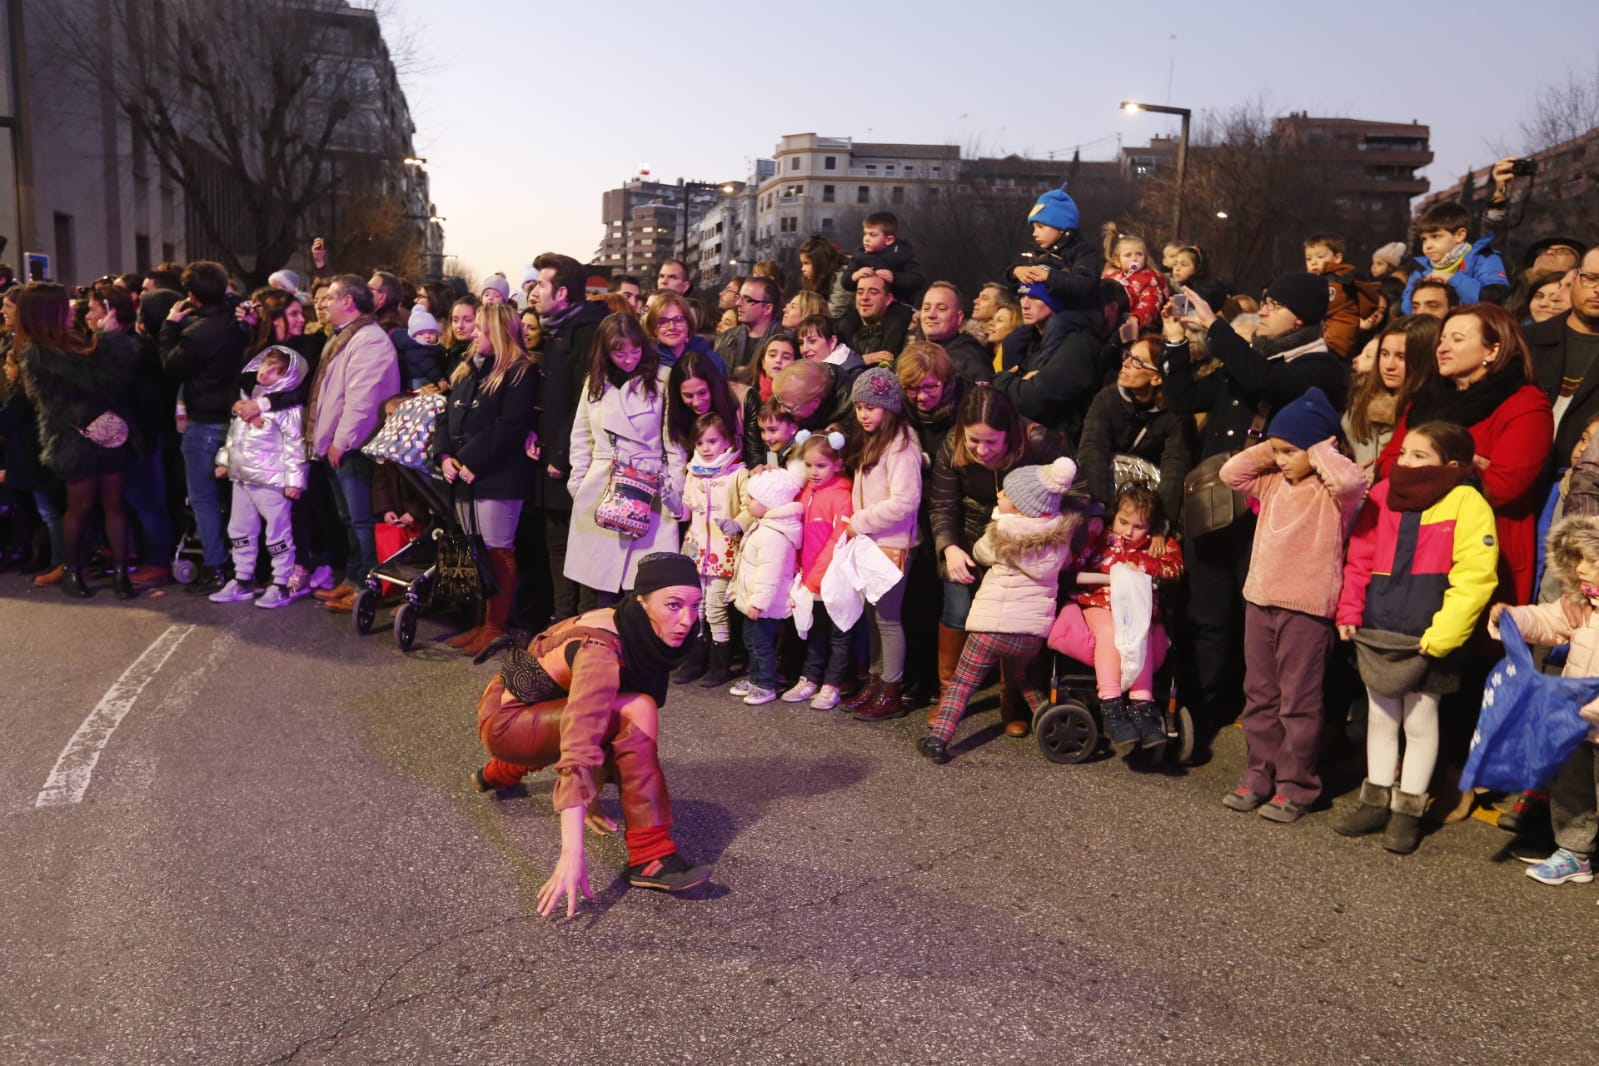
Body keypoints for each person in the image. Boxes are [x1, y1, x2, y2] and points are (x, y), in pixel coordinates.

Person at [1161, 272, 1348, 760]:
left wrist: (1215, 326)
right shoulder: (1252, 358)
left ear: (1301, 316)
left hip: (1270, 514)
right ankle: (1203, 712)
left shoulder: (1322, 367)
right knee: (1207, 613)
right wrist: (1177, 343)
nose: (1263, 310)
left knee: (1257, 621)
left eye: (1274, 303)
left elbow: (1265, 381)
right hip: (1213, 505)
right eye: (1262, 301)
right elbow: (1183, 399)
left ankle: (1268, 724)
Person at [472, 552, 713, 913]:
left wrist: (594, 792)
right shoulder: (601, 646)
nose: (685, 620)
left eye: (694, 607)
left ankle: (500, 772)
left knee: (616, 707)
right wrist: (572, 852)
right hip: (507, 724)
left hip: (531, 713)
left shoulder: (631, 623)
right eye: (673, 605)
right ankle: (650, 856)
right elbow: (580, 742)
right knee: (636, 710)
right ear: (641, 600)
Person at [1335, 422, 1498, 853]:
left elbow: (1475, 577)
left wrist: (1444, 635)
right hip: (1379, 625)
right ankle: (1376, 800)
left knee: (1422, 721)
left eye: (1418, 455)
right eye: (1403, 452)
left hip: (1430, 635)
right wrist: (1350, 608)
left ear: (1453, 464)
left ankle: (1408, 811)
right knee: (1381, 717)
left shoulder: (1466, 501)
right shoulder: (1385, 494)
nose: (1405, 461)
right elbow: (1360, 556)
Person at [1218, 387, 1367, 822]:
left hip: (1305, 608)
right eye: (1276, 451)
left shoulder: (1331, 491)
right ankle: (1258, 774)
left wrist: (1318, 449)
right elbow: (1232, 472)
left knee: (1298, 702)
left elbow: (1352, 479)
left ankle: (1296, 785)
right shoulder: (1272, 481)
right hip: (1260, 599)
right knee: (1259, 695)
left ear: (1321, 448)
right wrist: (1275, 445)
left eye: (1288, 451)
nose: (1280, 459)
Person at [1376, 304, 1553, 604]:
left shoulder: (1525, 404)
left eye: (1456, 339)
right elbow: (1386, 466)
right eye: (1441, 340)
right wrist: (1462, 467)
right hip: (1412, 547)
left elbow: (1503, 485)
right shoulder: (1424, 400)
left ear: (1493, 350)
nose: (1443, 348)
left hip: (1484, 555)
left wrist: (1420, 467)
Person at [918, 458, 1081, 763]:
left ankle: (939, 737)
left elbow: (980, 553)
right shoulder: (1059, 537)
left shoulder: (1002, 531)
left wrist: (997, 521)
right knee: (1023, 675)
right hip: (1030, 634)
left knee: (963, 682)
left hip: (991, 628)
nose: (999, 496)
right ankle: (1049, 717)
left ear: (1020, 507)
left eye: (1006, 494)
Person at [928, 387, 1065, 731]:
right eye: (974, 440)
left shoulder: (1036, 442)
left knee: (1015, 620)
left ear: (1011, 434)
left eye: (992, 442)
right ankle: (950, 696)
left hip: (1023, 543)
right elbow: (943, 504)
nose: (981, 450)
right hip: (969, 536)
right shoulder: (951, 444)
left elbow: (1074, 491)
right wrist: (949, 547)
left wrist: (1047, 536)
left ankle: (1012, 700)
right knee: (956, 610)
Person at [1487, 515, 1599, 888]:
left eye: (1593, 560)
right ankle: (1573, 853)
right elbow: (1549, 620)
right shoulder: (1582, 605)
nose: (1581, 567)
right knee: (1572, 791)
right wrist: (1515, 619)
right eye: (1579, 558)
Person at [16, 282, 140, 599]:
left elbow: (105, 381)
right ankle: (73, 570)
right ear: (47, 312)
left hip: (107, 433)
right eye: (65, 306)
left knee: (113, 503)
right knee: (80, 507)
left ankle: (121, 574)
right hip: (74, 440)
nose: (74, 309)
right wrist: (111, 340)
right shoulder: (38, 351)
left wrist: (106, 341)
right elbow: (96, 381)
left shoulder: (73, 340)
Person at [433, 302, 539, 654]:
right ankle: (476, 621)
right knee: (469, 549)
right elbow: (445, 418)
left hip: (498, 476)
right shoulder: (467, 369)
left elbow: (510, 425)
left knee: (496, 550)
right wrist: (445, 455)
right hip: (463, 472)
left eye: (480, 328)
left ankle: (495, 625)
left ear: (498, 333)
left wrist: (469, 459)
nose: (473, 334)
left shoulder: (520, 372)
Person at [1047, 483, 1184, 753]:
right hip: (1100, 604)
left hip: (1139, 611)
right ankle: (1112, 707)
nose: (1129, 532)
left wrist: (1145, 564)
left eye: (1139, 527)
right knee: (1111, 632)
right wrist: (1094, 534)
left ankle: (1142, 707)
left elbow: (1175, 568)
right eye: (1123, 522)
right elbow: (1073, 563)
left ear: (1152, 527)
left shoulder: (1157, 546)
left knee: (1140, 635)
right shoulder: (1103, 537)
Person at [566, 313, 685, 609]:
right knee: (599, 585)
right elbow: (581, 437)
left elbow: (673, 441)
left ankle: (637, 649)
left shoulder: (662, 379)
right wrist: (578, 485)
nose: (629, 358)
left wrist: (674, 488)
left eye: (635, 349)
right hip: (602, 487)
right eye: (620, 352)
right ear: (605, 351)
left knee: (643, 584)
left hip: (650, 488)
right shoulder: (594, 382)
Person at [305, 274, 402, 611]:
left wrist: (341, 441)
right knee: (348, 519)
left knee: (362, 520)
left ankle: (367, 587)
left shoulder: (369, 340)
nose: (323, 304)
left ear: (348, 301)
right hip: (340, 446)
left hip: (356, 447)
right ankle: (353, 578)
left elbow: (362, 399)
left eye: (330, 298)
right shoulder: (347, 337)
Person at [839, 367, 923, 721]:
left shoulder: (902, 445)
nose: (863, 415)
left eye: (870, 408)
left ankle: (892, 690)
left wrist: (861, 521)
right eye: (859, 408)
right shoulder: (876, 441)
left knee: (888, 619)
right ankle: (874, 683)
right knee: (872, 619)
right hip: (872, 545)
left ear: (889, 407)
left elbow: (905, 501)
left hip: (893, 544)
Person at [160, 260, 248, 594]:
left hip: (207, 423)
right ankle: (250, 565)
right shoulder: (239, 321)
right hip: (238, 418)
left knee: (203, 499)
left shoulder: (196, 334)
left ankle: (215, 564)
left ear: (192, 296)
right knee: (242, 498)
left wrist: (169, 327)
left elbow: (170, 366)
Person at [533, 252, 609, 622]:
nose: (533, 292)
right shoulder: (558, 329)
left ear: (561, 292)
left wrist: (561, 455)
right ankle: (561, 623)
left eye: (540, 284)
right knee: (557, 544)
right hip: (551, 454)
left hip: (575, 461)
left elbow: (585, 397)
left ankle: (583, 628)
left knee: (583, 548)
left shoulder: (588, 332)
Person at [207, 346, 309, 608]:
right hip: (242, 477)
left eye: (277, 370)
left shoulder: (287, 408)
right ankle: (243, 579)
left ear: (288, 377)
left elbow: (296, 445)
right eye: (266, 365)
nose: (266, 372)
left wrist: (294, 481)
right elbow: (235, 435)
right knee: (239, 530)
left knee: (278, 533)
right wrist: (225, 461)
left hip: (271, 482)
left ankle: (280, 583)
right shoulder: (247, 399)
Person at [1075, 334, 1191, 525]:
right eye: (1128, 355)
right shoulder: (1108, 397)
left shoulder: (1176, 415)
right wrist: (1096, 508)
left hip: (1145, 502)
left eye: (1137, 361)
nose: (1126, 363)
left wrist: (1160, 523)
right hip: (1105, 489)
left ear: (1156, 378)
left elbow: (1175, 469)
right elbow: (1092, 450)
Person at [781, 429, 855, 710]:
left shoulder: (841, 496)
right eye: (809, 465)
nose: (813, 472)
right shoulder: (803, 493)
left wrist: (815, 577)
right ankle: (810, 677)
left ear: (837, 463)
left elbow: (838, 539)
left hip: (834, 578)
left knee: (840, 633)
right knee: (814, 630)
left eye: (821, 466)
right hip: (809, 577)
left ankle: (832, 684)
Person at [675, 412, 748, 687]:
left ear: (727, 441)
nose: (706, 448)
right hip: (695, 552)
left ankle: (720, 664)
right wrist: (673, 503)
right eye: (701, 443)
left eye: (712, 441)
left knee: (716, 607)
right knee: (696, 607)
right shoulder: (693, 473)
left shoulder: (738, 473)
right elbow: (685, 510)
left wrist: (736, 523)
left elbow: (749, 509)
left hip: (723, 550)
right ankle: (696, 659)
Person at [727, 467, 804, 706]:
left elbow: (770, 573)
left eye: (751, 498)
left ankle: (765, 684)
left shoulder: (774, 535)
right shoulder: (764, 525)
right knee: (751, 641)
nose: (746, 502)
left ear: (769, 503)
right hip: (754, 602)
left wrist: (758, 602)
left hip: (765, 605)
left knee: (761, 645)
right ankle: (755, 678)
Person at [990, 282, 1102, 443]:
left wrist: (1001, 380)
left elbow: (1032, 401)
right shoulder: (1026, 341)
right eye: (1022, 296)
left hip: (1063, 449)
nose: (1025, 304)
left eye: (1035, 297)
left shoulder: (1077, 343)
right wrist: (1017, 383)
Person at [1342, 315, 1439, 483]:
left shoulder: (1429, 409)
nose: (1389, 365)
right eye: (1384, 354)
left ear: (1424, 360)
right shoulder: (1359, 393)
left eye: (1401, 357)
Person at [1529, 247, 1599, 467]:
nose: (1598, 289)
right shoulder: (1525, 341)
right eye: (1591, 278)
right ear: (1575, 277)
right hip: (1517, 472)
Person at [1010, 183, 1104, 335]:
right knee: (1015, 338)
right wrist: (1016, 272)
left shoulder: (1082, 250)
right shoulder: (1038, 253)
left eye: (1040, 227)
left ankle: (1044, 360)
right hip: (1051, 314)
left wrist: (1049, 277)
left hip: (1083, 315)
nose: (1034, 233)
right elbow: (1016, 281)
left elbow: (1084, 283)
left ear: (1061, 227)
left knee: (1056, 324)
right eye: (1033, 228)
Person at [1399, 200, 1509, 313]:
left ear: (1459, 235)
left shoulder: (1483, 258)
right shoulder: (1421, 270)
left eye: (1435, 237)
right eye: (1424, 239)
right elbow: (1407, 309)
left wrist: (1452, 279)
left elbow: (1494, 298)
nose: (1427, 246)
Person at [1305, 233, 1382, 359]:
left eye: (1320, 257)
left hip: (1337, 340)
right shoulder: (1319, 280)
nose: (1313, 262)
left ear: (1337, 258)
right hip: (1326, 337)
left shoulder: (1339, 279)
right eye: (1308, 259)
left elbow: (1327, 305)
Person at [666, 349, 746, 460]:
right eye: (688, 395)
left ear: (713, 386)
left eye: (702, 393)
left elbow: (754, 456)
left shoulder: (741, 400)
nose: (697, 402)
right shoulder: (677, 415)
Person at [842, 211, 926, 306]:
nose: (866, 239)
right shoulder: (860, 254)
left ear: (889, 240)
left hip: (897, 305)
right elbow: (845, 282)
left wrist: (894, 277)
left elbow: (918, 280)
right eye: (865, 234)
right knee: (848, 320)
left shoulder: (903, 253)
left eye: (872, 235)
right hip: (864, 305)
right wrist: (855, 276)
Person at [917, 281, 993, 385]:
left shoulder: (972, 359)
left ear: (959, 318)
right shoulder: (913, 352)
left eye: (941, 309)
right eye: (926, 308)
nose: (931, 314)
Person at [1101, 227, 1168, 334]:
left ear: (1145, 258)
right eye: (1128, 255)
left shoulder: (1149, 279)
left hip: (1137, 325)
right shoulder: (1110, 276)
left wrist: (1136, 318)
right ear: (1118, 261)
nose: (1134, 259)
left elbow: (1150, 302)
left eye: (1139, 254)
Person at [715, 276, 780, 379]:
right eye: (739, 297)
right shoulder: (725, 339)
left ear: (767, 308)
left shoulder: (785, 341)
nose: (738, 303)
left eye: (747, 299)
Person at [843, 273, 913, 369]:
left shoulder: (903, 331)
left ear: (888, 299)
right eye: (860, 292)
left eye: (873, 292)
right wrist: (862, 360)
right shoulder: (842, 330)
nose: (864, 297)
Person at [646, 291, 722, 372]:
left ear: (689, 324)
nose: (672, 327)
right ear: (654, 329)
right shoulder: (645, 362)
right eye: (663, 321)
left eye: (678, 320)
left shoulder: (713, 361)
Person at [795, 314, 863, 390]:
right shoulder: (799, 374)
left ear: (833, 341)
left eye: (812, 341)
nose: (804, 349)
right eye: (801, 343)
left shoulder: (854, 375)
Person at [397, 304, 447, 392]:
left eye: (431, 332)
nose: (427, 336)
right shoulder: (417, 349)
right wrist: (440, 379)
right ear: (413, 336)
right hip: (420, 381)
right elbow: (428, 366)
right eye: (421, 333)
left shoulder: (432, 347)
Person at [798, 236, 851, 319]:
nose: (802, 269)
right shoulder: (815, 279)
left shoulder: (841, 278)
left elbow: (833, 312)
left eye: (806, 263)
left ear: (819, 263)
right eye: (802, 263)